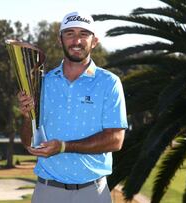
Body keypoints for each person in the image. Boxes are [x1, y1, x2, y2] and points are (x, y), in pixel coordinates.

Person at [17, 11, 128, 203]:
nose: (76, 40)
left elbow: (115, 140)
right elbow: (29, 143)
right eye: (70, 34)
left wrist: (64, 147)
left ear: (94, 41)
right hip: (48, 191)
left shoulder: (109, 82)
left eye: (84, 34)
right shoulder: (42, 83)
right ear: (60, 39)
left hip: (93, 192)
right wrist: (27, 117)